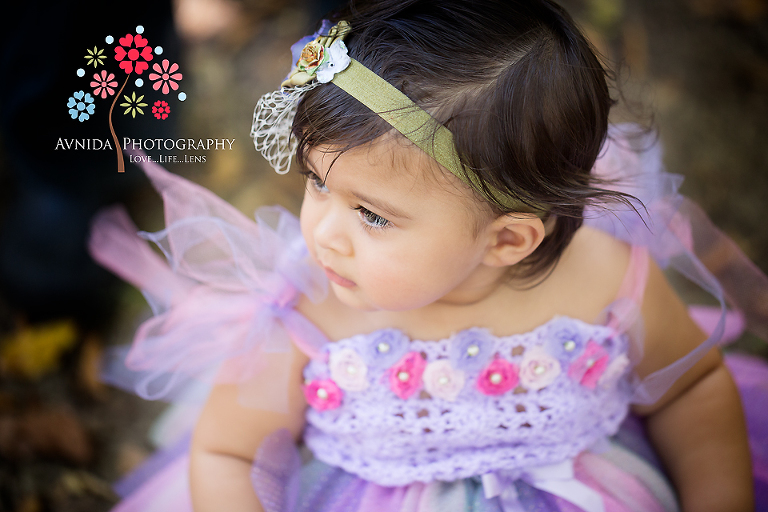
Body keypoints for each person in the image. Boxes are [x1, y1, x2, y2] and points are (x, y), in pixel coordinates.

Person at [89, 0, 768, 511]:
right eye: (318, 184)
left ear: (506, 239)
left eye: (374, 215)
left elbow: (691, 390)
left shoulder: (609, 281)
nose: (322, 232)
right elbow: (230, 449)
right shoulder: (308, 308)